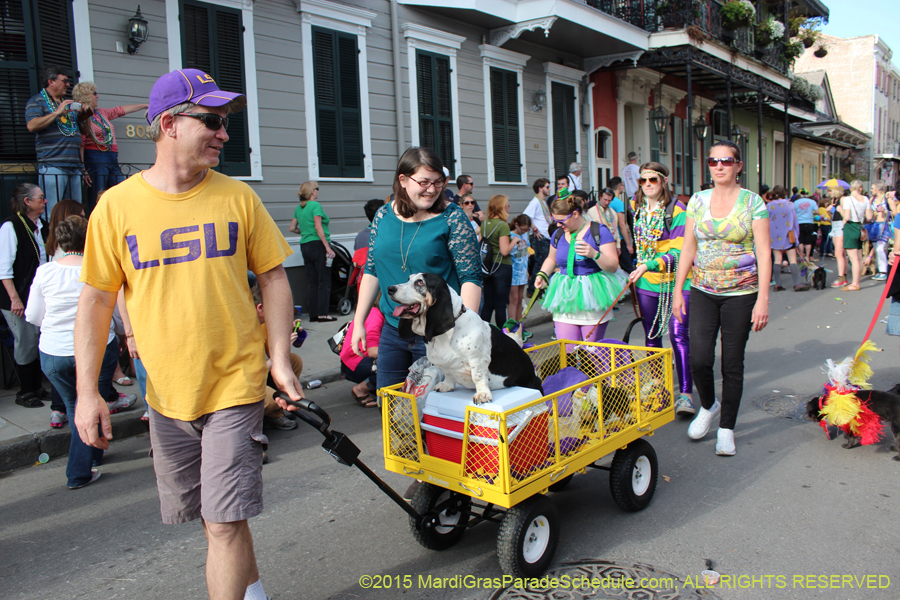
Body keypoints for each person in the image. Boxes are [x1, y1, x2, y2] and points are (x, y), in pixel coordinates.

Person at [73, 68, 302, 600]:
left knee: (222, 523)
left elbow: (273, 277)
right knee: (214, 517)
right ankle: (254, 592)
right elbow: (97, 300)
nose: (225, 133)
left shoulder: (237, 198)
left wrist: (280, 358)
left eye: (226, 122)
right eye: (214, 121)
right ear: (171, 124)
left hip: (234, 385)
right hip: (167, 393)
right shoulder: (116, 207)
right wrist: (88, 393)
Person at [350, 146, 481, 390]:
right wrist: (359, 322)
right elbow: (371, 270)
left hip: (440, 331)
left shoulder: (452, 218)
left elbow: (470, 278)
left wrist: (465, 333)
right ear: (403, 179)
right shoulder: (382, 216)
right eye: (424, 182)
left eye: (438, 182)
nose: (432, 189)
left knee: (436, 411)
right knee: (393, 412)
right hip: (393, 330)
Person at [673, 140, 771, 457]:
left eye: (726, 161)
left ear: (738, 166)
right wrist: (678, 290)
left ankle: (726, 428)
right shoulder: (697, 202)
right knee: (699, 358)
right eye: (714, 161)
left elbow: (764, 252)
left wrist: (763, 299)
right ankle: (709, 405)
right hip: (702, 289)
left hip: (741, 294)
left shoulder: (753, 203)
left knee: (732, 364)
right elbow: (688, 247)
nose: (719, 166)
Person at [25, 215, 119, 488]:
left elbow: (32, 314)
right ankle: (79, 471)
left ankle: (94, 449)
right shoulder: (97, 269)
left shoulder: (46, 271)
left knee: (74, 404)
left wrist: (55, 326)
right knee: (88, 402)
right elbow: (110, 310)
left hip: (54, 351)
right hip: (96, 347)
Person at [626, 163, 695, 415]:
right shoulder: (635, 206)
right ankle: (659, 390)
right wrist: (642, 268)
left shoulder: (677, 209)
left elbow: (679, 252)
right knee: (652, 337)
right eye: (642, 181)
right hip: (647, 284)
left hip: (677, 283)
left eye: (652, 180)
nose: (647, 185)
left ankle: (686, 394)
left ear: (664, 180)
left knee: (678, 337)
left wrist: (649, 264)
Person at [534, 194, 625, 344]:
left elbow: (613, 266)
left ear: (575, 214)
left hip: (592, 295)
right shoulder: (558, 234)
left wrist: (594, 254)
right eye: (555, 221)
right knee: (567, 351)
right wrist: (542, 274)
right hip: (564, 295)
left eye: (561, 221)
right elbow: (551, 258)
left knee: (591, 353)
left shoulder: (599, 231)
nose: (558, 225)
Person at [0, 183, 52, 407]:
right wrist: (14, 298)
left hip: (37, 295)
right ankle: (25, 391)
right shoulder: (11, 227)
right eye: (40, 198)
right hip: (18, 296)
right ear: (27, 202)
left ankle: (36, 387)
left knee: (36, 340)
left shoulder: (42, 225)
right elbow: (4, 268)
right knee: (25, 341)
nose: (45, 201)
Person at [71, 81, 149, 213]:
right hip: (96, 158)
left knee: (121, 189)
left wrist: (144, 105)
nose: (97, 96)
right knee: (98, 194)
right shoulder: (82, 116)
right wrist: (83, 169)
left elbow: (120, 110)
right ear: (85, 96)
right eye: (94, 93)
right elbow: (81, 145)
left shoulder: (102, 113)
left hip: (112, 157)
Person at [25, 66, 92, 213]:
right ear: (51, 82)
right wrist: (57, 112)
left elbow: (84, 131)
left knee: (74, 210)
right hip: (53, 165)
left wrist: (85, 116)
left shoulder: (68, 103)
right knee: (53, 211)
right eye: (65, 81)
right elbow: (31, 125)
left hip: (74, 166)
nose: (68, 84)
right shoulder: (36, 101)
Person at [248, 275, 301, 431]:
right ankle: (250, 432)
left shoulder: (264, 323)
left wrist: (287, 335)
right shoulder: (244, 329)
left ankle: (275, 414)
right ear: (260, 308)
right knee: (270, 400)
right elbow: (252, 372)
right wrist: (276, 358)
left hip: (259, 374)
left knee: (294, 360)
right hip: (245, 381)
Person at [290, 181, 336, 322]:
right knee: (324, 280)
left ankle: (313, 314)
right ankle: (323, 314)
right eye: (316, 189)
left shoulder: (299, 208)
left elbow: (292, 228)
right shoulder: (315, 206)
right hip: (318, 245)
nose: (317, 191)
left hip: (305, 245)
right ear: (312, 192)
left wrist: (305, 232)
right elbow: (318, 226)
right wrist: (327, 247)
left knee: (312, 282)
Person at [340, 290, 383, 407]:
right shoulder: (375, 315)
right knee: (396, 364)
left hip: (352, 360)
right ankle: (360, 389)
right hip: (356, 362)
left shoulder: (370, 312)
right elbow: (373, 351)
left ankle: (373, 386)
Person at [768, 186, 810, 292]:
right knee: (792, 259)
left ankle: (777, 284)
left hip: (774, 235)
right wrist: (797, 236)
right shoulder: (790, 205)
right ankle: (796, 283)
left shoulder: (769, 205)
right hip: (788, 234)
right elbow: (795, 221)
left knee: (777, 260)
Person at [480, 195, 513, 327]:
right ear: (502, 207)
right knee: (500, 304)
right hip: (501, 266)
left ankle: (482, 330)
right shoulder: (503, 225)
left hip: (487, 266)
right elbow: (504, 250)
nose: (509, 207)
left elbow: (481, 243)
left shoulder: (484, 224)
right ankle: (502, 335)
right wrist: (514, 241)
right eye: (507, 205)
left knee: (488, 303)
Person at [837, 180, 873, 291]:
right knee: (858, 256)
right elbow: (869, 217)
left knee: (853, 258)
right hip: (859, 226)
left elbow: (847, 217)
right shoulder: (865, 199)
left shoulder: (848, 199)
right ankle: (856, 281)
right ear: (860, 188)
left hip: (850, 227)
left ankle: (855, 283)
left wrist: (840, 210)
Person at [524, 178, 552, 296]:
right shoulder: (535, 202)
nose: (549, 189)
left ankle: (539, 288)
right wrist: (535, 229)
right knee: (540, 264)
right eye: (547, 187)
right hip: (541, 238)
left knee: (543, 263)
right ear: (540, 189)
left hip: (546, 237)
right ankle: (532, 290)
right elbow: (526, 216)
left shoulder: (543, 201)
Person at [508, 214, 532, 325]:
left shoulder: (525, 235)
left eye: (526, 230)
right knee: (514, 299)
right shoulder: (511, 236)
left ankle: (519, 326)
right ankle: (511, 326)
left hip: (522, 269)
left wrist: (527, 270)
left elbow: (526, 253)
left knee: (520, 299)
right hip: (513, 270)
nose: (524, 231)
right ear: (516, 225)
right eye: (522, 229)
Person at [868, 181, 890, 281]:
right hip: (874, 225)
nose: (871, 190)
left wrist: (884, 211)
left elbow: (893, 211)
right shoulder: (873, 199)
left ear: (878, 189)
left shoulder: (886, 198)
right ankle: (880, 270)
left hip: (884, 225)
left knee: (880, 249)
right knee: (876, 248)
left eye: (873, 188)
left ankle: (884, 271)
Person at [794, 191, 818, 264]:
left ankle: (801, 256)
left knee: (801, 241)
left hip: (799, 222)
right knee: (808, 241)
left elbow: (793, 212)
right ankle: (807, 257)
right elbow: (817, 212)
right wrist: (811, 213)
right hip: (809, 222)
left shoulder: (796, 202)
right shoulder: (812, 202)